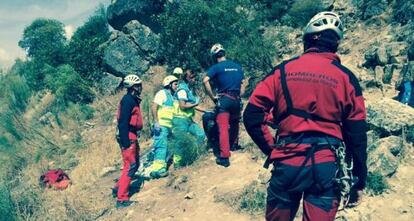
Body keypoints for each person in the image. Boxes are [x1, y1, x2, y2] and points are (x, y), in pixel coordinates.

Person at [243, 12, 368, 221]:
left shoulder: (282, 71)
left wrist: (272, 151)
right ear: (335, 45)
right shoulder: (347, 79)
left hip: (287, 160)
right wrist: (359, 181)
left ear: (307, 40)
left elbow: (252, 116)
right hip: (326, 165)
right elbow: (357, 135)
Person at [203, 43, 244, 167]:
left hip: (224, 100)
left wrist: (213, 97)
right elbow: (243, 83)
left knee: (223, 127)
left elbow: (205, 80)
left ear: (214, 56)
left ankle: (224, 157)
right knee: (235, 123)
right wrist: (240, 95)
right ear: (224, 53)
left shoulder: (216, 67)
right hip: (236, 99)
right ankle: (234, 145)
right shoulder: (237, 66)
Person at [113, 74, 143, 208]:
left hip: (131, 136)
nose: (140, 87)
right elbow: (123, 122)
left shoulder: (132, 99)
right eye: (138, 85)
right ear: (133, 87)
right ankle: (122, 199)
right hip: (128, 137)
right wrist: (125, 142)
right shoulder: (128, 100)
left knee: (134, 165)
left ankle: (118, 188)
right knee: (130, 166)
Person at [172, 68, 206, 167]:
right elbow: (183, 106)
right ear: (188, 77)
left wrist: (206, 110)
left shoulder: (187, 89)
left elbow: (193, 104)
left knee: (200, 134)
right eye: (193, 78)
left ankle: (194, 154)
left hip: (188, 120)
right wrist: (195, 103)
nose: (194, 80)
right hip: (179, 120)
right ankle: (177, 164)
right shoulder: (182, 90)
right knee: (180, 142)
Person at [149, 75, 179, 178]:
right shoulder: (162, 94)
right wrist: (156, 122)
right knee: (161, 147)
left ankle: (165, 166)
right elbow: (154, 106)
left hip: (170, 126)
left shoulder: (173, 96)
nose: (177, 86)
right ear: (169, 84)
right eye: (175, 84)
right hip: (161, 126)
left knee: (170, 146)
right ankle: (158, 170)